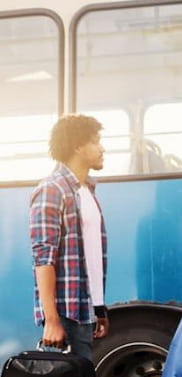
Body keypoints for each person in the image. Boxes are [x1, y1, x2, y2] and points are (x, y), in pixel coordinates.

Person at [29, 114, 109, 361]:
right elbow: (43, 259)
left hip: (86, 314)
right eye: (96, 142)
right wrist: (51, 320)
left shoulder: (87, 190)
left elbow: (91, 258)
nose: (102, 148)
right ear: (77, 146)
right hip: (66, 316)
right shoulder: (52, 190)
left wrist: (100, 309)